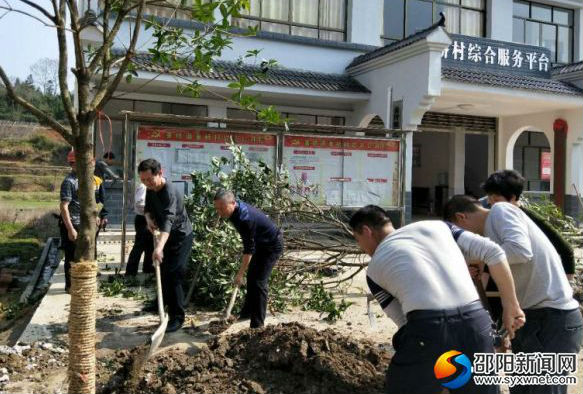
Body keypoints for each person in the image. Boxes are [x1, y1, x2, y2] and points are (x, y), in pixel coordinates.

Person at [349, 205, 524, 394]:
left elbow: (405, 324)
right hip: (477, 322)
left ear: (366, 231)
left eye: (358, 240)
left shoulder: (373, 271)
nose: (362, 248)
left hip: (429, 327)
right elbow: (493, 251)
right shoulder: (441, 227)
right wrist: (511, 306)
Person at [444, 195, 583, 394]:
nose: (463, 243)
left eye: (459, 235)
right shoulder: (491, 241)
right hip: (531, 319)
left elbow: (521, 251)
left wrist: (479, 257)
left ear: (461, 218)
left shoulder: (500, 211)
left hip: (553, 320)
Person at [482, 169, 575, 281]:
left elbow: (566, 250)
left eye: (496, 200)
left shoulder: (530, 219)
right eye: (489, 197)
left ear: (512, 198)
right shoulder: (490, 214)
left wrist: (567, 283)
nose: (490, 203)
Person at [213, 190, 283, 329]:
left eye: (221, 208)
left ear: (233, 203)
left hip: (271, 245)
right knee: (252, 277)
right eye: (217, 208)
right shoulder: (233, 211)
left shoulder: (245, 219)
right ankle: (247, 312)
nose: (219, 212)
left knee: (259, 282)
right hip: (260, 244)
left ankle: (257, 325)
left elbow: (248, 249)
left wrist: (239, 274)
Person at [139, 158, 194, 333]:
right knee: (163, 272)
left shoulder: (170, 192)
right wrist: (148, 220)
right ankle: (160, 303)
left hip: (180, 237)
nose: (147, 183)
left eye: (149, 179)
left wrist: (159, 248)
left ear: (160, 173)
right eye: (143, 180)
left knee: (175, 274)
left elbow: (169, 221)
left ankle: (178, 317)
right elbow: (147, 208)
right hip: (164, 236)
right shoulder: (151, 189)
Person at [59, 149, 108, 293]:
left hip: (88, 224)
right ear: (73, 164)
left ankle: (86, 282)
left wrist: (97, 215)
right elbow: (64, 206)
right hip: (73, 224)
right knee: (72, 256)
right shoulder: (69, 182)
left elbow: (94, 201)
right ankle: (70, 286)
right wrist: (70, 229)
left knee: (89, 253)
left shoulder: (91, 180)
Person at [125, 182, 154, 276]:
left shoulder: (149, 186)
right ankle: (131, 272)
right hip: (143, 219)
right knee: (139, 246)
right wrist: (150, 212)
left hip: (147, 218)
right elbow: (140, 204)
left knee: (150, 246)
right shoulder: (143, 186)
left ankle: (148, 267)